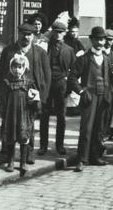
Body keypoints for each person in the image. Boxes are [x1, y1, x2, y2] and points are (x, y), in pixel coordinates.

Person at [0, 23, 51, 166]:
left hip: (30, 95)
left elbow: (47, 75)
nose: (26, 37)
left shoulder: (39, 53)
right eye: (23, 34)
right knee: (7, 124)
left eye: (29, 34)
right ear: (18, 34)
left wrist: (42, 97)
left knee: (28, 125)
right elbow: (0, 72)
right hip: (11, 94)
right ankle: (5, 155)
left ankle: (28, 154)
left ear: (33, 36)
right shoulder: (8, 51)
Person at [70, 26, 113, 171]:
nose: (100, 42)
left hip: (104, 97)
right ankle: (82, 159)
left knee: (99, 128)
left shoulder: (107, 59)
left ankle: (95, 156)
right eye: (97, 39)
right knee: (87, 128)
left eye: (102, 39)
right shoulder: (84, 58)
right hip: (90, 97)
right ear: (91, 40)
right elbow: (72, 78)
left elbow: (112, 79)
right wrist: (82, 91)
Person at [0, 54, 40, 176]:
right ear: (11, 68)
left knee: (23, 137)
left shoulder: (29, 83)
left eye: (20, 67)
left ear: (24, 68)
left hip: (24, 114)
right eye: (14, 67)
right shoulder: (7, 83)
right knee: (11, 137)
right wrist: (3, 113)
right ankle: (10, 162)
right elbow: (3, 99)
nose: (17, 70)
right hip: (11, 114)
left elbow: (35, 98)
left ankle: (23, 162)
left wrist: (34, 105)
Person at [38, 21, 75, 156]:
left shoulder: (69, 50)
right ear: (52, 32)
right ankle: (43, 145)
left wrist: (68, 84)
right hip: (46, 85)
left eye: (61, 32)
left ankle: (60, 145)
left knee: (61, 116)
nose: (58, 34)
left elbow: (74, 70)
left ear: (65, 33)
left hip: (61, 84)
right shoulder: (44, 48)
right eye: (56, 32)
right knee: (44, 115)